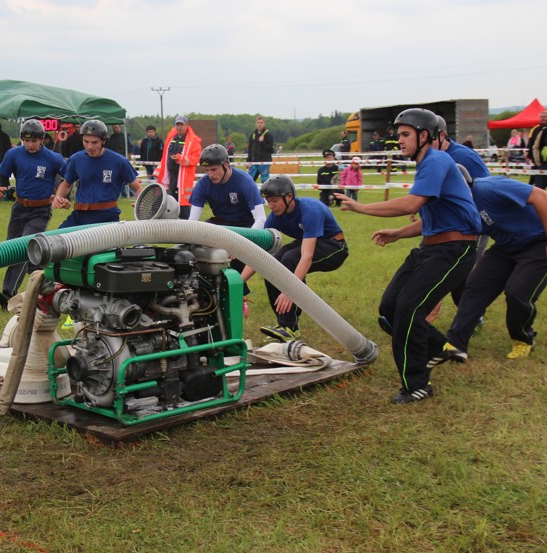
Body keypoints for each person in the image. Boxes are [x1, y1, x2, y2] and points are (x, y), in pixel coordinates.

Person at [336, 108, 481, 404]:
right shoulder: (427, 163)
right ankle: (439, 348)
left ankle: (417, 384)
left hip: (454, 250)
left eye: (404, 135)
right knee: (390, 306)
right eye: (398, 134)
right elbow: (436, 216)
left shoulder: (437, 159)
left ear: (423, 135)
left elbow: (413, 202)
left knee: (409, 309)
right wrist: (399, 233)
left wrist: (362, 207)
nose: (398, 140)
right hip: (431, 248)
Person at [428, 172, 547, 364]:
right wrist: (400, 232)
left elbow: (540, 195)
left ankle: (523, 338)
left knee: (517, 292)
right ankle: (456, 344)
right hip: (506, 246)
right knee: (475, 287)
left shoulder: (489, 188)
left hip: (541, 240)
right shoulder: (460, 207)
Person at [241, 175, 348, 342]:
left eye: (275, 200)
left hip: (335, 247)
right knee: (272, 265)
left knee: (290, 259)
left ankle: (290, 327)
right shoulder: (276, 217)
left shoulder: (310, 210)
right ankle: (284, 325)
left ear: (289, 196)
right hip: (309, 243)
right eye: (268, 201)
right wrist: (239, 282)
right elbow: (259, 254)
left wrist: (289, 291)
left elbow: (307, 256)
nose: (271, 205)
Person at [0, 119, 67, 309]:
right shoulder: (14, 154)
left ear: (42, 139)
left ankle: (9, 294)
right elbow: (3, 173)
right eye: (26, 140)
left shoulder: (52, 158)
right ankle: (35, 285)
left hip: (40, 210)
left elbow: (70, 176)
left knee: (25, 246)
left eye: (34, 140)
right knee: (13, 251)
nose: (30, 144)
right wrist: (0, 187)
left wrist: (61, 196)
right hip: (19, 208)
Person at [54, 119, 141, 228]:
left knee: (100, 244)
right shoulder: (76, 159)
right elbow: (66, 184)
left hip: (107, 216)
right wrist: (58, 197)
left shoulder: (119, 161)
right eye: (86, 141)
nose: (90, 146)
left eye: (94, 142)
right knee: (56, 242)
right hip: (80, 215)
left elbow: (137, 188)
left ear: (103, 141)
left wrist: (140, 202)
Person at [189, 143, 266, 229]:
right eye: (207, 170)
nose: (210, 174)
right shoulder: (202, 185)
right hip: (222, 226)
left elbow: (261, 219)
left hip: (247, 226)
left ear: (226, 165)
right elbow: (193, 221)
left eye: (214, 169)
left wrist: (246, 239)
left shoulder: (245, 182)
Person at [154, 115, 202, 219]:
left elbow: (195, 158)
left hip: (184, 178)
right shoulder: (171, 138)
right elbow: (165, 156)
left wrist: (180, 159)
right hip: (171, 176)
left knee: (184, 205)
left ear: (186, 125)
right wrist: (159, 171)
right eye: (177, 124)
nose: (179, 127)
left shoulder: (193, 141)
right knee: (171, 203)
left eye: (181, 124)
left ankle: (186, 228)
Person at [247, 116, 274, 183]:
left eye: (261, 123)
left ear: (264, 123)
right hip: (254, 162)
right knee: (249, 181)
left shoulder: (268, 135)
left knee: (265, 182)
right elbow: (250, 149)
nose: (260, 124)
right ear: (256, 124)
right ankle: (251, 193)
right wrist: (248, 161)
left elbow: (271, 150)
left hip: (264, 163)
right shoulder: (253, 135)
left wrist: (262, 142)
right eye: (258, 123)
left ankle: (265, 194)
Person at [526, 110, 547, 185]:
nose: (543, 119)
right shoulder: (534, 129)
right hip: (536, 159)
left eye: (545, 117)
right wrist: (528, 155)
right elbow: (530, 143)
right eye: (541, 117)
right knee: (534, 179)